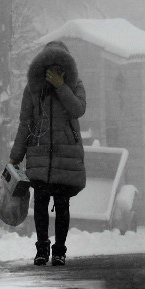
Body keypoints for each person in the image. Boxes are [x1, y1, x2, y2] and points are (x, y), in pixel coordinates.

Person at [9, 40, 87, 266]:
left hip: (66, 157)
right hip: (39, 154)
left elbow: (78, 109)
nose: (53, 70)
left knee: (62, 204)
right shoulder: (33, 88)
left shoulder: (75, 85)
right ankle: (42, 248)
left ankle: (60, 250)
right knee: (41, 203)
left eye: (58, 65)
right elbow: (25, 123)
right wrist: (16, 155)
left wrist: (62, 86)